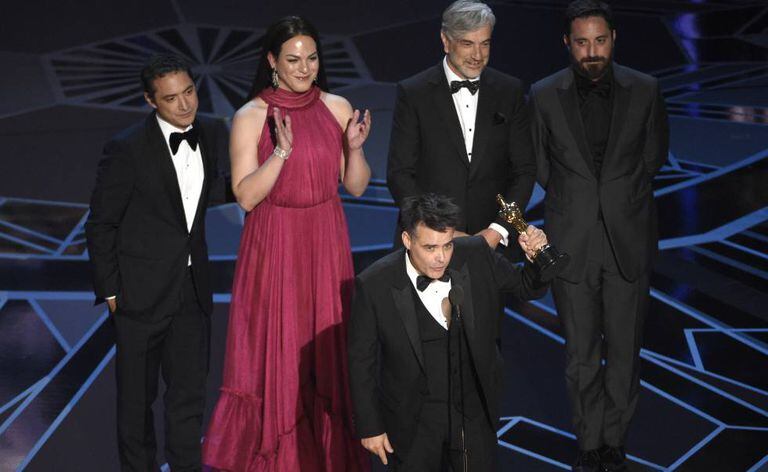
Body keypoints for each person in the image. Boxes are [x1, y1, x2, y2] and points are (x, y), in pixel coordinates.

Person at [201, 16, 372, 471]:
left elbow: (356, 186)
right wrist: (280, 152)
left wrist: (355, 149)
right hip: (276, 240)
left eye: (311, 58)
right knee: (278, 345)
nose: (304, 68)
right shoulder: (251, 116)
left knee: (325, 346)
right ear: (272, 61)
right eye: (293, 60)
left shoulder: (336, 106)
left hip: (325, 238)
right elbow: (246, 196)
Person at [529, 1, 669, 470]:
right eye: (582, 42)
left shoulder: (646, 89)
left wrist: (617, 197)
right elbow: (542, 166)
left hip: (629, 238)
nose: (592, 52)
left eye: (600, 40)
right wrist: (579, 202)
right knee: (580, 354)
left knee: (626, 352)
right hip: (572, 242)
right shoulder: (543, 94)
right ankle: (588, 442)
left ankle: (614, 439)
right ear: (567, 44)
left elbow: (653, 156)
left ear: (614, 38)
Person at [85, 54, 229, 470]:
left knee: (188, 401)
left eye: (189, 92)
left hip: (192, 293)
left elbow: (203, 194)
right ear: (150, 101)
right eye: (171, 98)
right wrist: (112, 292)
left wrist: (270, 172)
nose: (185, 105)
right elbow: (101, 223)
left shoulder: (211, 131)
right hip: (138, 296)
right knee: (136, 406)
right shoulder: (127, 148)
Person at [348, 193, 550, 471]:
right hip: (412, 422)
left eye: (447, 245)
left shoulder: (475, 254)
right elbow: (361, 361)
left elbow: (526, 287)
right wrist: (370, 426)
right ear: (407, 240)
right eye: (430, 247)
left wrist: (537, 256)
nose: (440, 257)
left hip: (473, 415)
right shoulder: (374, 284)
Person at [387, 0, 536, 250]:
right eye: (468, 44)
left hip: (493, 245)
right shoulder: (414, 93)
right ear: (446, 41)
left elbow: (525, 171)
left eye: (485, 44)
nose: (478, 55)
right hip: (429, 243)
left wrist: (497, 230)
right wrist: (439, 231)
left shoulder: (509, 91)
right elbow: (400, 174)